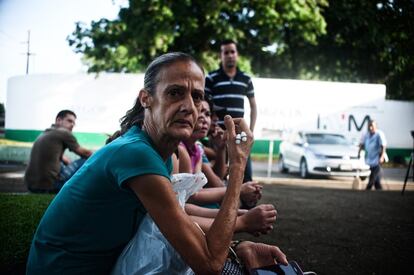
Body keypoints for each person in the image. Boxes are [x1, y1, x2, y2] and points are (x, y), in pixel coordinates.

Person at [26, 52, 288, 274]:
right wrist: (238, 164)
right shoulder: (136, 154)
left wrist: (237, 246)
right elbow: (208, 264)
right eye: (175, 93)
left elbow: (180, 218)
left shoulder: (158, 153)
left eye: (197, 97)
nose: (189, 106)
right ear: (146, 98)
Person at [205, 39, 257, 182]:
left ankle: (246, 205)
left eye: (232, 51)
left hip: (241, 136)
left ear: (237, 54)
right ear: (220, 56)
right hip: (218, 137)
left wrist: (250, 132)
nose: (229, 55)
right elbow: (205, 105)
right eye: (225, 52)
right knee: (216, 178)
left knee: (245, 177)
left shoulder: (245, 78)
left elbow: (253, 106)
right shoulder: (211, 78)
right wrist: (211, 131)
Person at [24, 110, 92, 193]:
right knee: (86, 161)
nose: (72, 125)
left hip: (32, 186)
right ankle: (84, 191)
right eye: (69, 121)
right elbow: (86, 153)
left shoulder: (46, 132)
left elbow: (57, 156)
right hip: (51, 186)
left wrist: (66, 161)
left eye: (74, 123)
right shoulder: (64, 132)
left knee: (64, 163)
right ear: (59, 120)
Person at [358, 119, 387, 190]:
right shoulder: (366, 134)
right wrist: (359, 153)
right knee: (376, 179)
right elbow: (361, 144)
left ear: (376, 126)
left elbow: (383, 145)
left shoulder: (379, 134)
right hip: (370, 157)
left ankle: (368, 187)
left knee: (374, 174)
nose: (370, 128)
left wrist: (382, 156)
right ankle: (379, 189)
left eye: (372, 126)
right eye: (369, 126)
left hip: (378, 157)